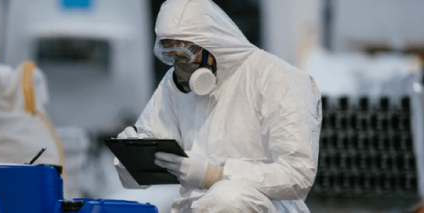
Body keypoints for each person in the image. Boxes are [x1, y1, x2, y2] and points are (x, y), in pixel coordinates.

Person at [114, 0, 322, 212]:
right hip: (195, 208)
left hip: (266, 207)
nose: (180, 69)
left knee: (227, 198)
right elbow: (152, 158)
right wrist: (132, 160)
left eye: (185, 56)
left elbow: (297, 175)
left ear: (212, 45)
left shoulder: (277, 78)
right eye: (172, 58)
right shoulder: (174, 86)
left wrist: (215, 174)